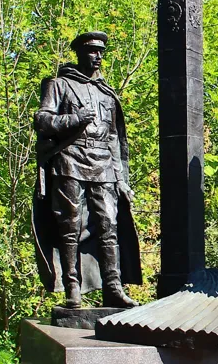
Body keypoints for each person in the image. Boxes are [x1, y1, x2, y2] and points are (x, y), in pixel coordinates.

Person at [32, 31, 141, 309]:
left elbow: (114, 138)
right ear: (80, 53)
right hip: (70, 160)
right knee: (70, 226)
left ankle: (113, 287)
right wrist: (74, 118)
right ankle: (73, 287)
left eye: (101, 51)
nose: (98, 56)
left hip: (103, 164)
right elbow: (42, 119)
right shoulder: (60, 84)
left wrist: (121, 179)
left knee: (109, 225)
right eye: (92, 51)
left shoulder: (106, 92)